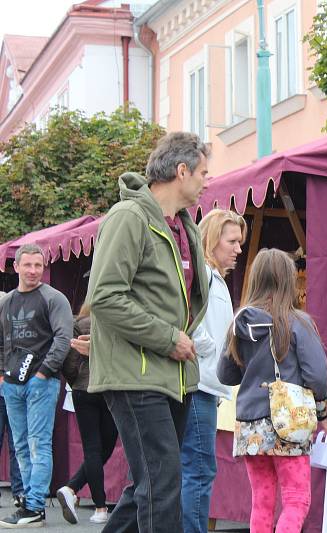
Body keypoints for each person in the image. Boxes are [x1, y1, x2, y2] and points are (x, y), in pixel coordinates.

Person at [87, 131, 210, 533]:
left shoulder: (184, 227)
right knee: (162, 484)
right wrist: (168, 337)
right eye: (203, 172)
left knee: (151, 485)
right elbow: (104, 297)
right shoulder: (129, 218)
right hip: (136, 372)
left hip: (172, 376)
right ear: (181, 171)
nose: (206, 180)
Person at [217, 248, 327, 533]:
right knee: (296, 500)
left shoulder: (239, 323)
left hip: (249, 426)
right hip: (288, 423)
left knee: (262, 501)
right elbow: (316, 375)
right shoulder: (298, 322)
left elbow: (225, 374)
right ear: (288, 281)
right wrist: (323, 412)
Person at [181, 209, 246, 533]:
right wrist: (209, 350)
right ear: (212, 238)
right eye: (232, 241)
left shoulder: (213, 277)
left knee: (196, 469)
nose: (238, 249)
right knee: (199, 469)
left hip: (207, 385)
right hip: (199, 386)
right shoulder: (204, 276)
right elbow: (185, 318)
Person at [0, 244, 73, 528]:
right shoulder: (7, 302)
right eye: (27, 265)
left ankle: (35, 506)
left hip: (41, 383)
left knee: (37, 445)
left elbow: (63, 338)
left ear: (44, 268)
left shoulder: (54, 298)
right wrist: (3, 376)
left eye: (38, 266)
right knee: (20, 446)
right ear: (15, 267)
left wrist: (44, 373)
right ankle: (27, 501)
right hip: (12, 383)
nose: (33, 271)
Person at [56, 303, 118, 525]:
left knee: (93, 447)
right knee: (106, 446)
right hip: (110, 387)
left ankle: (75, 491)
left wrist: (77, 380)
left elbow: (68, 361)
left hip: (83, 389)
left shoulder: (78, 323)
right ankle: (96, 504)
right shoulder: (116, 320)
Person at [0, 292, 23, 510]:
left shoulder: (10, 303)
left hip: (16, 382)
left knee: (18, 441)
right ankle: (19, 490)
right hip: (5, 381)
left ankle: (20, 490)